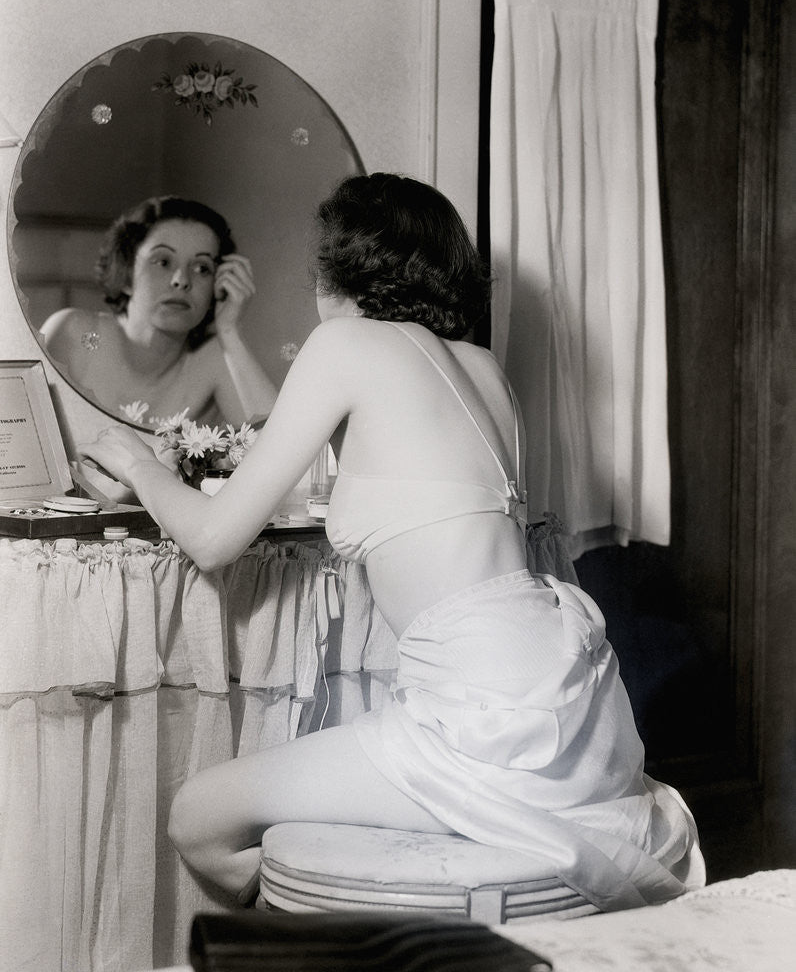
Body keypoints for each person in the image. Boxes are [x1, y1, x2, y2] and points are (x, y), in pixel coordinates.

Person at [79, 172, 705, 913]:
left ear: (337, 271)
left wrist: (140, 464)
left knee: (197, 819)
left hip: (481, 712)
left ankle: (345, 943)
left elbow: (215, 541)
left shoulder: (344, 343)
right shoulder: (484, 370)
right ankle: (394, 920)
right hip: (575, 699)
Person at [41, 195, 278, 427]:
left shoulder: (214, 357)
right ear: (126, 273)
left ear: (218, 284)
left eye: (202, 268)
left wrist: (230, 330)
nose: (181, 280)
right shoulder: (72, 332)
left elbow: (277, 445)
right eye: (163, 262)